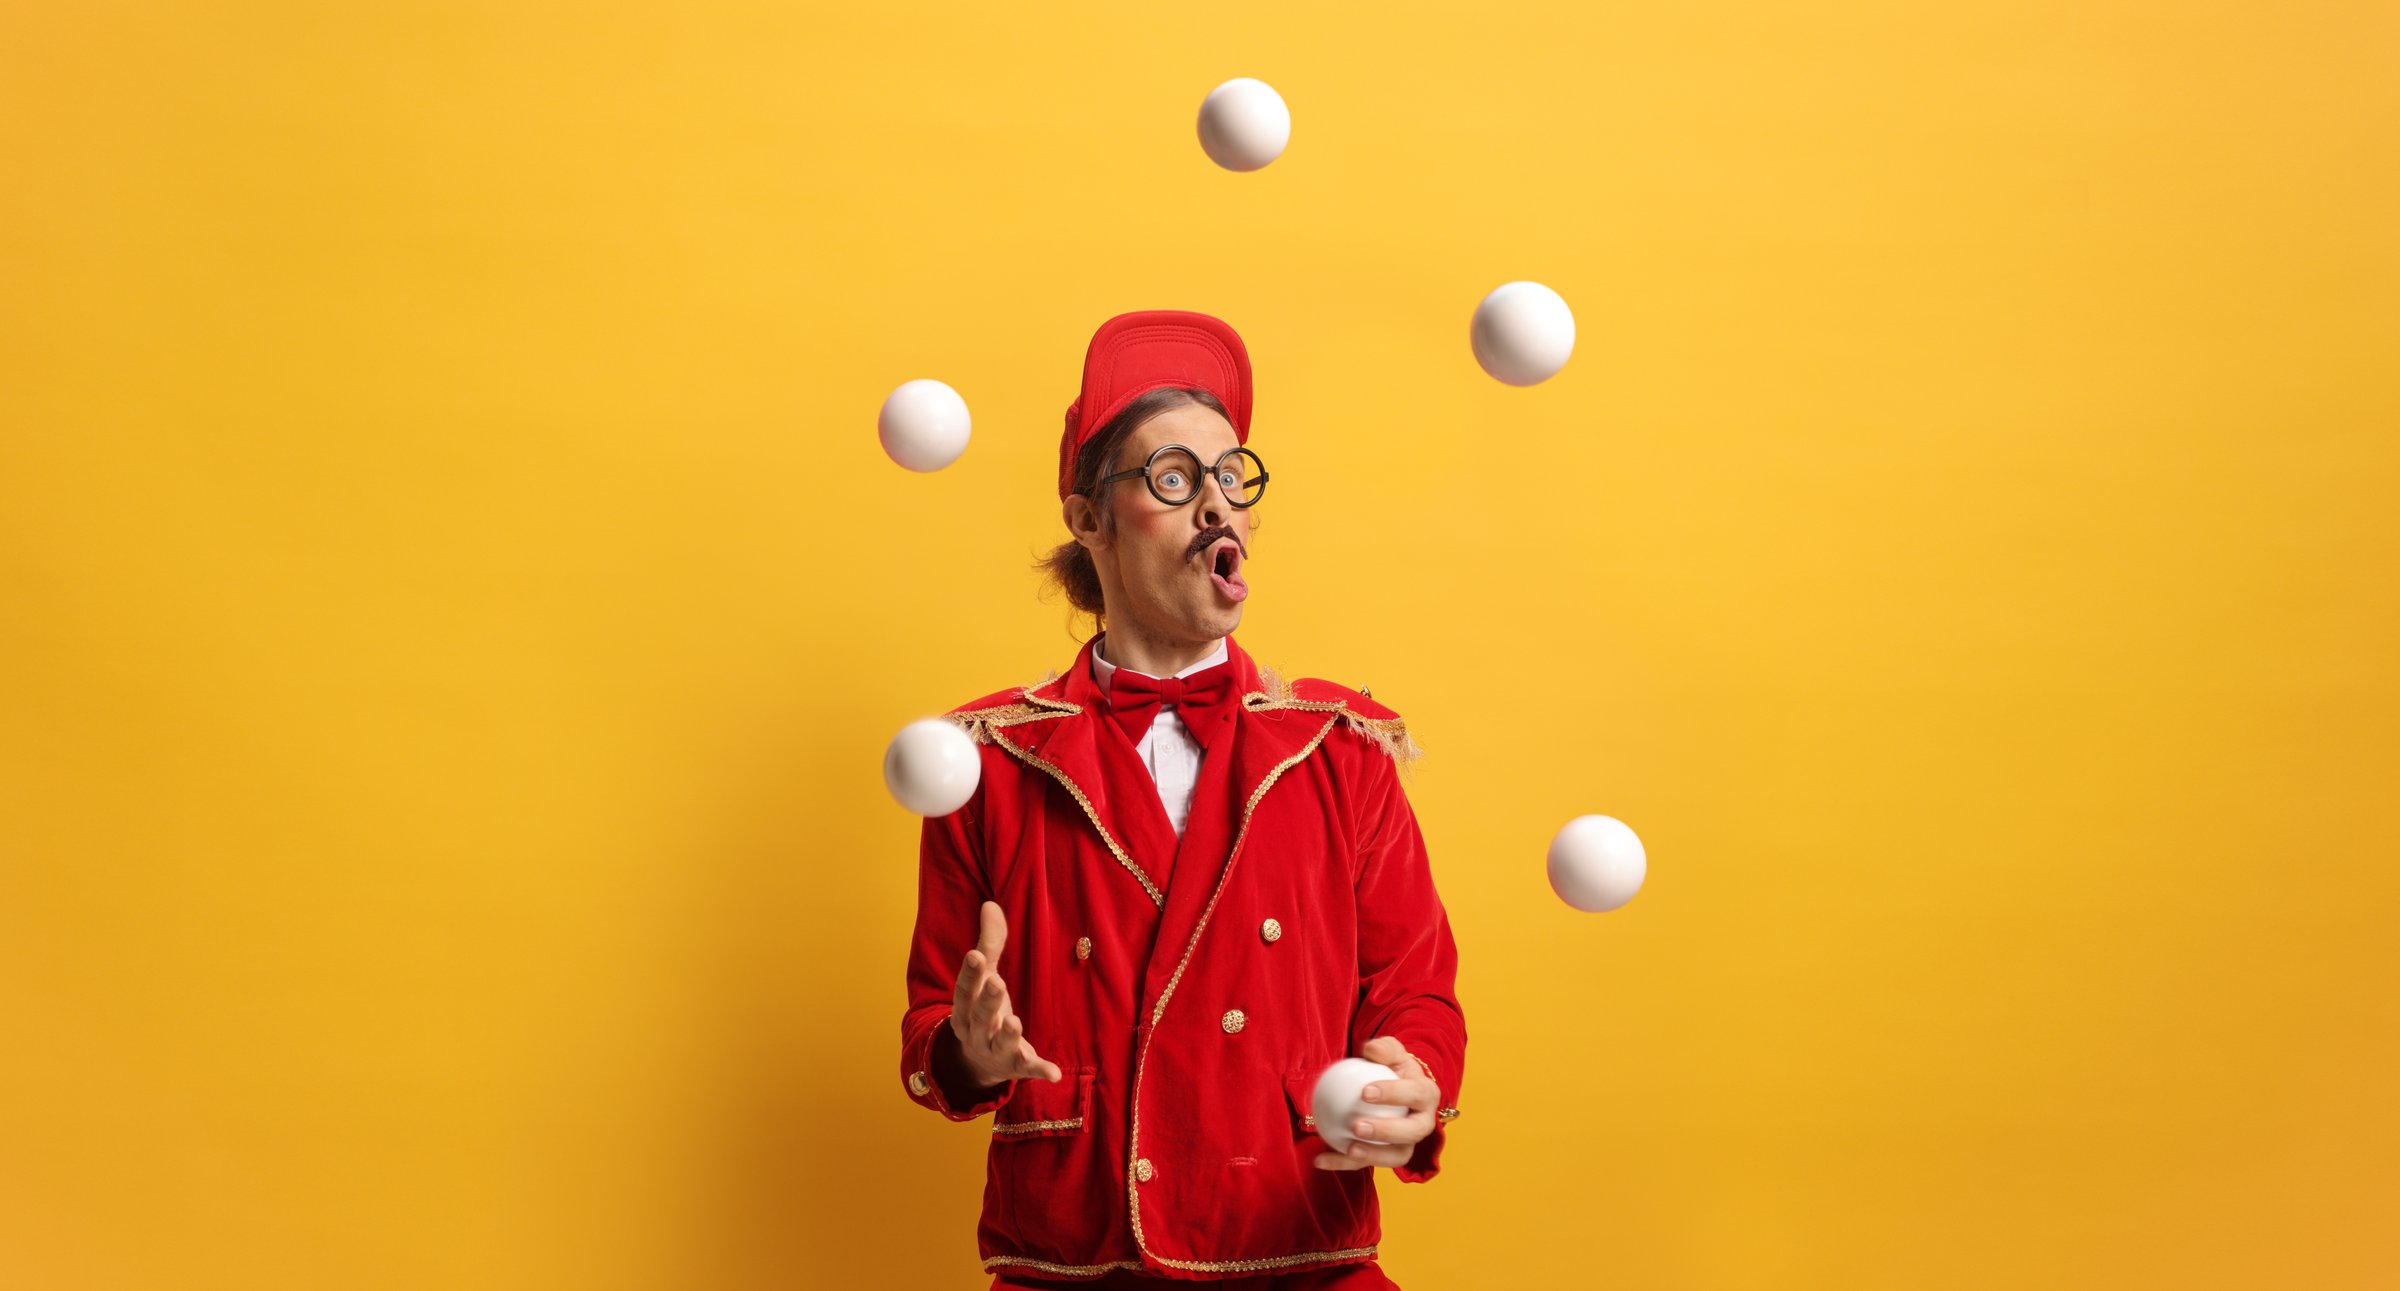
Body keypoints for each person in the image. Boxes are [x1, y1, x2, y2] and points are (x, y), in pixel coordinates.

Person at [898, 309, 1466, 1287]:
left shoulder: (1343, 746)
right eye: (1173, 477)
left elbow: (1417, 993)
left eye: (1232, 475)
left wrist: (1413, 1080)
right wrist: (971, 1051)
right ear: (1090, 520)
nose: (1217, 506)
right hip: (1075, 1266)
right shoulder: (985, 760)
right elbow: (927, 1037)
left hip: (1299, 1257)